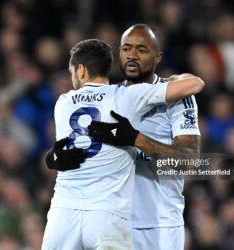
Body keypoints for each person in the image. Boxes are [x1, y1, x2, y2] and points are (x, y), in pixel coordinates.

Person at [42, 38, 204, 250]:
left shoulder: (63, 102)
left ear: (80, 70)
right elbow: (195, 84)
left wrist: (50, 158)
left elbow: (64, 146)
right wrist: (175, 78)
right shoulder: (126, 96)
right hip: (109, 216)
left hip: (63, 213)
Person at [89, 24, 201, 250]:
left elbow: (189, 161)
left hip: (160, 225)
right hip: (113, 223)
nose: (132, 55)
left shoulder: (177, 97)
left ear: (157, 56)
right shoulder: (107, 97)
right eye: (126, 48)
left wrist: (136, 139)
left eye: (141, 50)